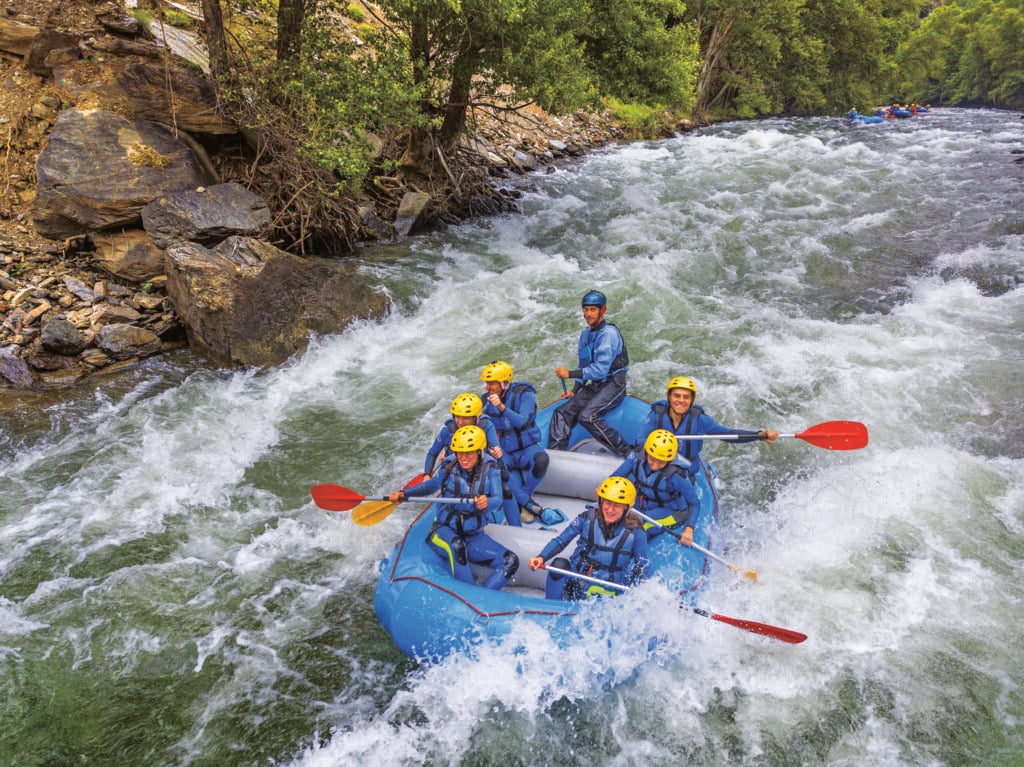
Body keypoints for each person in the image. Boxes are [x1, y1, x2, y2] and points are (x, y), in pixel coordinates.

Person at [390, 425, 519, 590]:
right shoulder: (449, 466)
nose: (463, 457)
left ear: (479, 451)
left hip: (474, 535)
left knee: (511, 561)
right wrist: (404, 494)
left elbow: (498, 500)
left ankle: (482, 596)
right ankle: (470, 594)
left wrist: (488, 502)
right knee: (458, 546)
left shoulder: (491, 469)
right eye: (459, 452)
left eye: (468, 452)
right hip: (444, 530)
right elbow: (430, 486)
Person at [527, 476, 648, 600]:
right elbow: (561, 541)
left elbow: (641, 566)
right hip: (577, 579)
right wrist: (541, 557)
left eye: (617, 505)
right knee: (559, 564)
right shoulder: (586, 518)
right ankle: (551, 608)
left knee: (594, 591)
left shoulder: (636, 532)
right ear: (600, 501)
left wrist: (636, 595)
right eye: (607, 503)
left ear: (626, 508)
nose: (610, 510)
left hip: (608, 588)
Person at [636, 376, 779, 479]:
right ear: (669, 397)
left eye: (686, 397)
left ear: (692, 400)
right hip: (656, 461)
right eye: (676, 396)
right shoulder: (656, 415)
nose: (681, 401)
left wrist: (759, 435)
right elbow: (641, 439)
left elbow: (729, 434)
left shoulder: (701, 421)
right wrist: (660, 453)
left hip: (683, 469)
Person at [550, 290, 632, 457]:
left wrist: (569, 374)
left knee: (587, 416)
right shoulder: (585, 334)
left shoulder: (608, 334)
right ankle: (556, 456)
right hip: (596, 385)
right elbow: (584, 366)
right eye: (585, 310)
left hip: (613, 384)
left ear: (603, 310)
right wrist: (575, 390)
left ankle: (627, 451)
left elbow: (600, 370)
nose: (588, 314)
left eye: (592, 310)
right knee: (561, 413)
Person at [480, 360, 549, 522]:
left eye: (491, 384)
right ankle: (528, 504)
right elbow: (474, 423)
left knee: (542, 460)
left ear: (504, 383)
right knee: (498, 472)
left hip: (527, 448)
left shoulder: (526, 395)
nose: (487, 387)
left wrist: (502, 408)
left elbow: (523, 422)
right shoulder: (485, 400)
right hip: (505, 451)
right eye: (486, 383)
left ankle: (524, 497)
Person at [612, 429, 700, 546]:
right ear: (647, 452)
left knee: (639, 525)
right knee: (614, 516)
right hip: (643, 501)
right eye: (652, 460)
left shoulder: (677, 475)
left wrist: (689, 530)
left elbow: (694, 503)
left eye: (661, 462)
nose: (655, 466)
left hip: (670, 511)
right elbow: (616, 477)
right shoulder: (636, 456)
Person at [423, 392, 502, 477]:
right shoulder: (447, 431)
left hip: (479, 471)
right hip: (454, 471)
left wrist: (497, 454)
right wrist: (427, 475)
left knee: (506, 487)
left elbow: (496, 452)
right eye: (457, 416)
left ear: (476, 418)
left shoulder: (486, 427)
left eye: (466, 418)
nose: (460, 422)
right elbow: (432, 453)